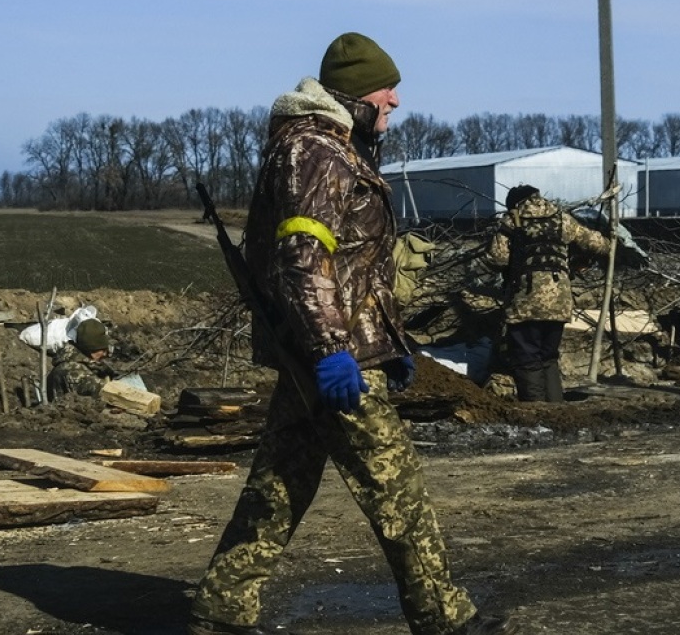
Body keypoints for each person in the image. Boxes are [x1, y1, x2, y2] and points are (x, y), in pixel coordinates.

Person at [188, 33, 518, 635]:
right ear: (354, 96)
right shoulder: (317, 153)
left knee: (281, 482)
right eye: (384, 89)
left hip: (330, 351)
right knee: (398, 490)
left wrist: (388, 339)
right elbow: (304, 259)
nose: (394, 99)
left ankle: (221, 606)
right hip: (334, 360)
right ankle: (443, 617)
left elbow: (354, 266)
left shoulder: (330, 147)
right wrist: (336, 352)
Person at [485, 184, 612, 402]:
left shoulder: (511, 221)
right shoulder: (562, 219)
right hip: (559, 301)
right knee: (548, 357)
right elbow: (599, 244)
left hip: (525, 300)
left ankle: (537, 410)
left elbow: (496, 259)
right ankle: (556, 407)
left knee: (527, 358)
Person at [48, 318, 114, 399]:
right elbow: (105, 394)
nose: (105, 354)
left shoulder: (79, 360)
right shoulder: (72, 370)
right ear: (91, 350)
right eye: (102, 350)